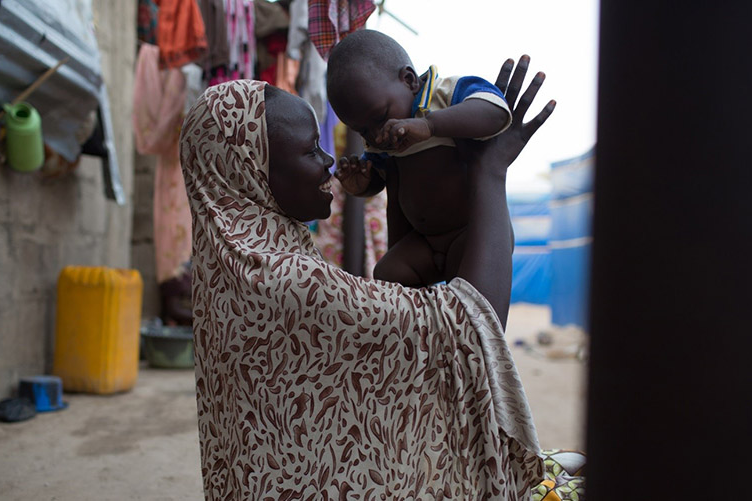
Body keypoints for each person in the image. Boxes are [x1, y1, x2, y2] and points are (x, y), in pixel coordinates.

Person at [180, 55, 555, 499]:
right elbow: (471, 327)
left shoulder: (235, 266)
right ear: (251, 171)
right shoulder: (283, 280)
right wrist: (489, 171)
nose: (328, 164)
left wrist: (401, 176)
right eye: (308, 150)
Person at [327, 30, 513, 287]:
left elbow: (495, 111)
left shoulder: (444, 94)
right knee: (387, 272)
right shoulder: (382, 140)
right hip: (423, 242)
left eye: (380, 117)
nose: (376, 135)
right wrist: (364, 185)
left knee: (465, 296)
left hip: (468, 233)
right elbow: (382, 177)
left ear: (409, 80)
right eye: (363, 131)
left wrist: (430, 126)